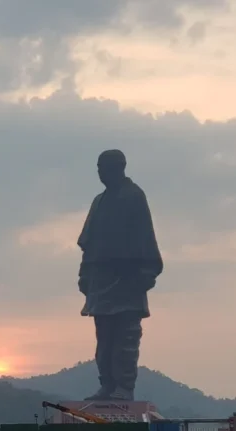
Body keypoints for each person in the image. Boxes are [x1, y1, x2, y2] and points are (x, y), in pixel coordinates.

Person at [77, 149, 163, 401]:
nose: (100, 173)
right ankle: (107, 384)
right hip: (101, 279)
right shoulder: (99, 200)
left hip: (127, 278)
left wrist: (144, 274)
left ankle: (124, 387)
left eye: (104, 168)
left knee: (125, 337)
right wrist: (84, 273)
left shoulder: (134, 196)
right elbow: (88, 242)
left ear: (119, 168)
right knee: (103, 339)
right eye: (98, 168)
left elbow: (145, 237)